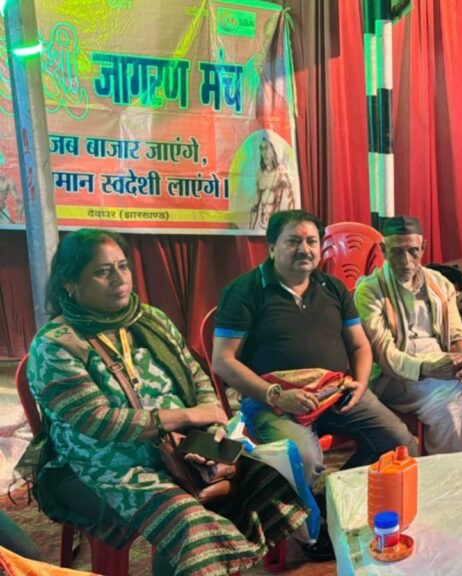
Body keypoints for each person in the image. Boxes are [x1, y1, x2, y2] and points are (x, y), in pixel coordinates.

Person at [19, 229, 307, 576]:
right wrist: (188, 415)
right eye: (102, 272)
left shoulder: (150, 319)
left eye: (123, 266)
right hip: (103, 465)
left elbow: (197, 377)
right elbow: (98, 421)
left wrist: (212, 431)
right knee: (189, 523)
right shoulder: (55, 345)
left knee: (263, 484)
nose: (119, 279)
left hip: (179, 446)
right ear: (70, 284)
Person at [212, 210, 417, 558]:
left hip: (335, 392)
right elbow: (223, 360)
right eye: (293, 241)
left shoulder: (332, 288)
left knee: (399, 442)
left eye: (311, 241)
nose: (304, 249)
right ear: (272, 247)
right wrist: (276, 395)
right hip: (272, 400)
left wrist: (360, 383)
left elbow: (359, 346)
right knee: (304, 460)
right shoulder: (245, 291)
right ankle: (313, 531)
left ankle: (329, 499)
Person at [354, 216, 462, 453]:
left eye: (413, 251)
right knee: (458, 400)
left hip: (441, 367)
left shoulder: (440, 283)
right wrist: (428, 368)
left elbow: (456, 334)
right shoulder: (369, 290)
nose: (406, 261)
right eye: (397, 252)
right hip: (396, 377)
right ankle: (457, 467)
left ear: (423, 247)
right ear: (383, 250)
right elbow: (385, 356)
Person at [250, 137, 296, 230]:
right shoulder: (259, 174)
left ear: (273, 150)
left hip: (275, 227)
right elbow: (255, 206)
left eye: (266, 148)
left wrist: (287, 227)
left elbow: (291, 201)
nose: (264, 153)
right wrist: (251, 230)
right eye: (261, 149)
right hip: (260, 226)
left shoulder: (281, 173)